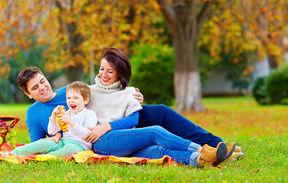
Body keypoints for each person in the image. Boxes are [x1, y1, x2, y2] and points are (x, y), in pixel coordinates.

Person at [81, 47, 236, 167]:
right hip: (102, 142)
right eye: (101, 69)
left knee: (157, 151)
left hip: (125, 140)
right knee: (155, 132)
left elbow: (134, 120)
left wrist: (107, 126)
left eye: (110, 71)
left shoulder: (129, 92)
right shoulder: (87, 91)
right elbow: (66, 95)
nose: (104, 75)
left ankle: (200, 159)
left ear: (120, 73)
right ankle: (203, 150)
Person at [12, 81, 97, 157]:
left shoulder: (89, 114)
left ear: (85, 100)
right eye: (68, 98)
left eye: (76, 98)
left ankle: (45, 157)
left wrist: (71, 122)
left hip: (79, 145)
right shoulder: (67, 113)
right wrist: (53, 117)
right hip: (64, 141)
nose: (71, 101)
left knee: (69, 149)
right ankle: (15, 152)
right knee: (45, 143)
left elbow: (88, 135)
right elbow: (52, 132)